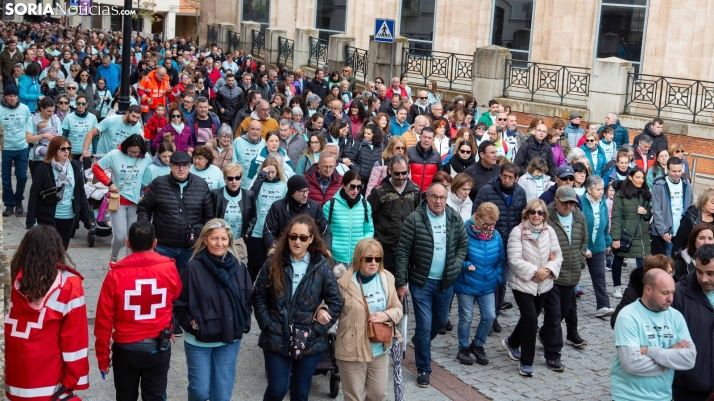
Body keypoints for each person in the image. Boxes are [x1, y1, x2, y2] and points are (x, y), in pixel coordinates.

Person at [252, 215, 341, 401]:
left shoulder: (322, 266)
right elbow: (259, 295)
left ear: (311, 239)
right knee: (277, 389)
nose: (297, 241)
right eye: (293, 237)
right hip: (276, 335)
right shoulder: (273, 262)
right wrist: (267, 324)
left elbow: (336, 303)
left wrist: (317, 329)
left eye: (302, 237)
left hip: (309, 340)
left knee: (300, 393)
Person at [93, 220, 181, 401]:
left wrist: (103, 358)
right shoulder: (169, 268)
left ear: (127, 243)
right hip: (158, 346)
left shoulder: (115, 274)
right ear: (155, 243)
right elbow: (175, 294)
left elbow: (103, 320)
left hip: (125, 350)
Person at [395, 182, 469, 387]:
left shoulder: (454, 217)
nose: (438, 201)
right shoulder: (415, 219)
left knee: (441, 321)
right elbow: (402, 252)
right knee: (425, 326)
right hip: (421, 282)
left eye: (442, 197)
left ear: (447, 198)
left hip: (446, 282)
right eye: (434, 197)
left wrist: (456, 265)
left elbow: (463, 244)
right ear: (427, 197)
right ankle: (424, 369)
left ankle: (419, 342)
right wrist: (401, 282)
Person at [5, 226, 90, 401]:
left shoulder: (9, 281)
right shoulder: (69, 285)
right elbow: (75, 341)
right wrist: (72, 380)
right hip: (50, 383)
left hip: (14, 380)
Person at [174, 219, 253, 401]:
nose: (219, 243)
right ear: (205, 240)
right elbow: (178, 304)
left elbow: (248, 298)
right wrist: (191, 322)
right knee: (199, 391)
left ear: (229, 241)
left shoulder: (239, 267)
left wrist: (243, 321)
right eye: (214, 238)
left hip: (229, 339)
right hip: (199, 340)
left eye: (223, 239)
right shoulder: (191, 268)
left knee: (222, 395)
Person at [610, 269, 696, 401]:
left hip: (664, 397)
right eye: (665, 293)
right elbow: (631, 364)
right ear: (648, 290)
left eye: (672, 293)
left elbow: (689, 359)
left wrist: (649, 351)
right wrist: (669, 360)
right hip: (628, 397)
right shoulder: (628, 316)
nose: (670, 299)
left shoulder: (675, 317)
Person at [334, 238, 402, 401]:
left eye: (377, 259)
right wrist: (321, 312)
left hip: (379, 347)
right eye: (369, 258)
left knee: (378, 394)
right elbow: (329, 307)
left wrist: (385, 315)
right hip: (352, 349)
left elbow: (398, 308)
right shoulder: (343, 283)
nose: (374, 263)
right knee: (354, 397)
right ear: (358, 259)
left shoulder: (386, 278)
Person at [501, 199, 563, 377]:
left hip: (544, 284)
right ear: (527, 213)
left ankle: (512, 342)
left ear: (545, 215)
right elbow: (514, 260)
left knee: (530, 318)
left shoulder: (549, 231)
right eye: (533, 212)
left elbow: (557, 255)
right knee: (531, 320)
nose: (536, 215)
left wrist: (548, 271)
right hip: (523, 283)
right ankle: (526, 362)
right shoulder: (517, 232)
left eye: (540, 212)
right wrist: (535, 272)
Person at [137, 151, 214, 275]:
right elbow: (144, 208)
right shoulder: (159, 184)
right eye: (177, 165)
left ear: (190, 166)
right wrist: (148, 231)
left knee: (185, 284)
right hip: (163, 245)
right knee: (162, 281)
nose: (181, 169)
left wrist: (201, 236)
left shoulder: (201, 185)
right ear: (170, 166)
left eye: (185, 165)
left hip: (190, 247)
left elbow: (208, 216)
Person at [473, 163, 527, 332]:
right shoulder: (487, 191)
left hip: (510, 244)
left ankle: (494, 316)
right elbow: (476, 215)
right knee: (489, 280)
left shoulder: (520, 193)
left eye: (511, 177)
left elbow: (522, 218)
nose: (507, 180)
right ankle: (487, 316)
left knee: (502, 281)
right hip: (489, 243)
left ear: (517, 178)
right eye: (505, 176)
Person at [539, 186, 588, 372]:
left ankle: (542, 334)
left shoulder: (579, 217)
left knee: (564, 311)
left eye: (572, 203)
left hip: (571, 272)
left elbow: (584, 240)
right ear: (556, 201)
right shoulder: (546, 215)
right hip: (551, 274)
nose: (569, 206)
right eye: (565, 203)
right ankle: (553, 354)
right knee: (553, 314)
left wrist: (580, 258)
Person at [454, 202, 504, 366]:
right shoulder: (463, 231)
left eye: (492, 224)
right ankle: (463, 347)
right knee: (466, 317)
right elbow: (454, 256)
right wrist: (466, 265)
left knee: (489, 316)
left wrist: (497, 276)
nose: (490, 228)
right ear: (477, 218)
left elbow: (501, 259)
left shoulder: (495, 235)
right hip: (466, 283)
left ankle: (478, 344)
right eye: (486, 224)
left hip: (487, 283)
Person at [92, 134, 152, 262]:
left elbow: (149, 176)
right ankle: (114, 257)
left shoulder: (146, 157)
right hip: (118, 201)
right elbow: (96, 167)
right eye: (131, 151)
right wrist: (109, 183)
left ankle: (128, 262)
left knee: (133, 236)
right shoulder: (114, 154)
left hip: (136, 202)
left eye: (137, 152)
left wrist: (145, 193)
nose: (133, 154)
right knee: (120, 236)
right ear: (126, 147)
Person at [26, 136, 90, 249]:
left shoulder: (75, 166)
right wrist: (31, 219)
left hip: (68, 214)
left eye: (68, 148)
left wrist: (85, 216)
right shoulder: (43, 168)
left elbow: (80, 192)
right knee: (48, 248)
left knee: (62, 247)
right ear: (54, 150)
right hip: (47, 214)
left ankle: (58, 267)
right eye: (63, 148)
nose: (66, 151)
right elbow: (34, 193)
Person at [671, 244, 714, 400]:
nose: (704, 279)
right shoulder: (678, 294)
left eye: (710, 273)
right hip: (688, 387)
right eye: (699, 271)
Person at [368, 154, 421, 274]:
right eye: (397, 173)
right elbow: (368, 214)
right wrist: (374, 236)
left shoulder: (415, 190)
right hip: (386, 247)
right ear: (390, 170)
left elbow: (420, 215)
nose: (401, 177)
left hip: (409, 246)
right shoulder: (380, 192)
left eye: (404, 173)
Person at [611, 168, 652, 298]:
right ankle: (617, 286)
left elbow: (648, 214)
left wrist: (646, 212)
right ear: (630, 177)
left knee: (642, 262)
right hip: (625, 233)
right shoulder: (620, 193)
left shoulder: (645, 192)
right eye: (638, 177)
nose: (640, 180)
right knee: (618, 260)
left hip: (641, 234)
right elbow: (616, 217)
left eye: (642, 178)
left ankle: (641, 287)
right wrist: (616, 238)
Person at [246, 157, 289, 280]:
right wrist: (261, 176)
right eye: (267, 172)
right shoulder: (258, 181)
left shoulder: (283, 184)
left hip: (274, 232)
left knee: (273, 267)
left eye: (273, 172)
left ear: (278, 171)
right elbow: (250, 198)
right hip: (257, 231)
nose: (270, 175)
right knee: (254, 265)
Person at [611, 254, 675, 329]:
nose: (671, 276)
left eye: (672, 272)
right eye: (669, 272)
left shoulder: (674, 290)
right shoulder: (634, 291)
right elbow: (616, 320)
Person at [323, 170, 374, 265]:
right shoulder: (330, 205)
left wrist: (363, 246)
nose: (355, 191)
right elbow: (324, 231)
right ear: (343, 185)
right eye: (352, 186)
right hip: (335, 258)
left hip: (358, 258)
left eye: (359, 187)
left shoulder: (365, 205)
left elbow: (369, 230)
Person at [582, 175, 615, 317]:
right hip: (582, 246)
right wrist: (583, 247)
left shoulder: (603, 203)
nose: (602, 192)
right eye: (598, 189)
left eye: (603, 189)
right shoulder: (581, 202)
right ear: (589, 190)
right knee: (572, 278)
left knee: (600, 277)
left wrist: (607, 242)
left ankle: (603, 306)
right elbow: (578, 227)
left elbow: (605, 224)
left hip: (599, 246)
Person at [1, 84, 32, 217]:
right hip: (6, 148)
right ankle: (9, 204)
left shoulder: (24, 109)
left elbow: (29, 125)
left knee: (22, 176)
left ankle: (18, 199)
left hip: (22, 147)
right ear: (5, 96)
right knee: (6, 178)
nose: (13, 98)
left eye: (15, 96)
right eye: (10, 96)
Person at [651, 157, 692, 256]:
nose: (677, 174)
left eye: (679, 170)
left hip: (681, 230)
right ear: (667, 170)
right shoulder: (659, 185)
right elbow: (656, 210)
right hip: (664, 231)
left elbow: (690, 207)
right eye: (674, 171)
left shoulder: (687, 184)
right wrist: (663, 230)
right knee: (662, 264)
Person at [210, 163, 256, 244]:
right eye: (230, 178)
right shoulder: (215, 194)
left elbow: (253, 217)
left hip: (239, 241)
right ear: (225, 179)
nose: (234, 182)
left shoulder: (249, 195)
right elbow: (209, 217)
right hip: (219, 241)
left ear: (241, 178)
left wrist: (247, 233)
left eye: (237, 178)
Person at [674, 188, 714, 256]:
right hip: (691, 257)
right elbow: (679, 244)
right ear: (703, 201)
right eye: (712, 203)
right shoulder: (690, 218)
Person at [349, 123, 386, 191]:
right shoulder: (359, 144)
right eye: (365, 133)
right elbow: (351, 160)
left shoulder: (382, 146)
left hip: (375, 181)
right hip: (360, 180)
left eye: (368, 134)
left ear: (374, 134)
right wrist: (359, 170)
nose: (365, 135)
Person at [232, 119, 266, 189]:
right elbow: (232, 164)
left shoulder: (264, 144)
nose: (255, 132)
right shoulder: (238, 141)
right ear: (248, 129)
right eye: (252, 129)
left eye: (258, 129)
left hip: (258, 186)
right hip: (240, 184)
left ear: (261, 131)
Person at [408, 127, 442, 192]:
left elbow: (439, 176)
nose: (426, 140)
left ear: (433, 140)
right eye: (424, 137)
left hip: (428, 193)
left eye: (429, 138)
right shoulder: (409, 152)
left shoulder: (436, 156)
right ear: (420, 138)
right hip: (410, 192)